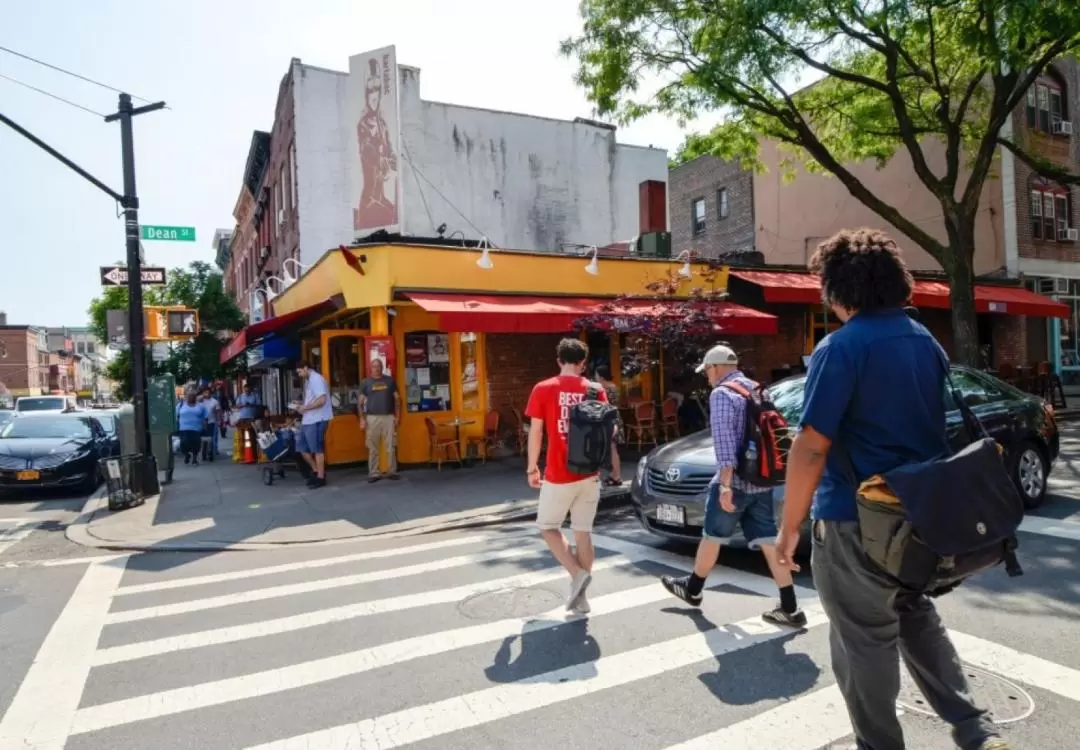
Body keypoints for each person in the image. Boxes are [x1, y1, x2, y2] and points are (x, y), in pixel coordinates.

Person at [774, 229, 1008, 750]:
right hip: (920, 517)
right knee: (915, 616)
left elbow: (811, 447)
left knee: (863, 641)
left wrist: (789, 529)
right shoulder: (924, 340)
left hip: (854, 518)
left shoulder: (840, 348)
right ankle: (976, 730)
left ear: (837, 292)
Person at [659, 344, 806, 626]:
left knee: (712, 536)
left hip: (736, 481)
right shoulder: (756, 388)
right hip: (761, 481)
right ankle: (790, 607)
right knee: (767, 540)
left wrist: (725, 485)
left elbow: (725, 444)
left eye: (707, 372)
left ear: (715, 367)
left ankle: (692, 590)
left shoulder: (723, 394)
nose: (707, 377)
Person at [525, 338, 609, 615]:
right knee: (583, 532)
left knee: (548, 526)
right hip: (590, 473)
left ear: (559, 360)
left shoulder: (544, 389)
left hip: (559, 473)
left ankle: (577, 574)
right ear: (583, 363)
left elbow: (536, 432)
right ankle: (581, 598)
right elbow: (611, 433)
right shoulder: (596, 391)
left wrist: (532, 467)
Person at [359, 358, 401, 483]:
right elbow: (360, 402)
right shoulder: (365, 382)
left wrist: (397, 417)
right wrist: (362, 418)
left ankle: (391, 471)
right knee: (373, 447)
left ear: (382, 368)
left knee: (391, 446)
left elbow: (398, 400)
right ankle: (374, 472)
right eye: (374, 366)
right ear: (370, 368)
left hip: (388, 416)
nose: (376, 369)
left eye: (378, 366)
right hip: (372, 418)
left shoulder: (390, 381)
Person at [293, 361, 333, 489]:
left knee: (317, 449)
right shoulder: (309, 380)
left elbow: (322, 400)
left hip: (317, 419)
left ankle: (320, 477)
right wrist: (300, 404)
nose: (299, 374)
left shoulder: (317, 379)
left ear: (305, 368)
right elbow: (313, 399)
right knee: (302, 448)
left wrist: (305, 407)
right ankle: (316, 471)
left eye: (300, 371)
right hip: (309, 419)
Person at [593, 365, 622, 486]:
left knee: (611, 448)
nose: (595, 377)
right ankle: (615, 474)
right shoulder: (614, 386)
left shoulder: (603, 388)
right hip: (616, 418)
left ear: (600, 376)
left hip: (607, 419)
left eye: (596, 375)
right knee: (612, 448)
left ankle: (616, 476)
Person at [176, 391, 208, 466]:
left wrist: (205, 427)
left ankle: (194, 459)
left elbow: (205, 418)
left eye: (193, 396)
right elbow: (176, 416)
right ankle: (186, 455)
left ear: (195, 397)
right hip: (183, 429)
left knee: (196, 444)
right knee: (183, 444)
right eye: (189, 396)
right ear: (186, 397)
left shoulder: (201, 406)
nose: (191, 397)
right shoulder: (181, 405)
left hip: (196, 429)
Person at [200, 387, 221, 461]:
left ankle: (211, 453)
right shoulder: (201, 401)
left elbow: (218, 411)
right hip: (202, 423)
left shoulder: (214, 401)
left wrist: (219, 421)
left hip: (212, 422)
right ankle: (203, 454)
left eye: (208, 392)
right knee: (203, 439)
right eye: (205, 392)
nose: (207, 394)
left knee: (212, 438)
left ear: (211, 393)